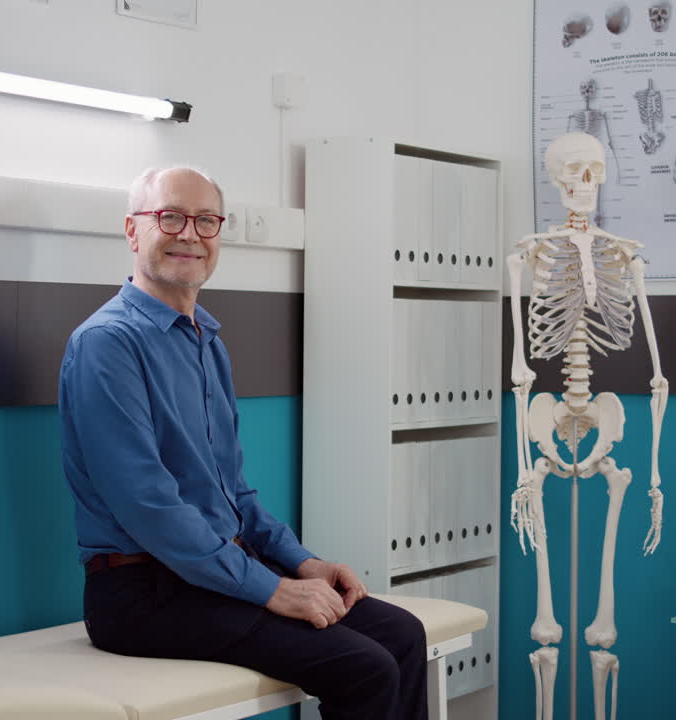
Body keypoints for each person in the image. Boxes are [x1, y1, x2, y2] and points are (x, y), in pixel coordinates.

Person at [58, 166, 428, 719]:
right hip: (140, 594)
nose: (190, 234)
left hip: (210, 577)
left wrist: (301, 563)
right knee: (364, 666)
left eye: (206, 221)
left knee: (402, 635)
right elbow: (148, 506)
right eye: (170, 217)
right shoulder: (106, 345)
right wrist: (271, 589)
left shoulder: (207, 342)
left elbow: (234, 494)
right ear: (133, 231)